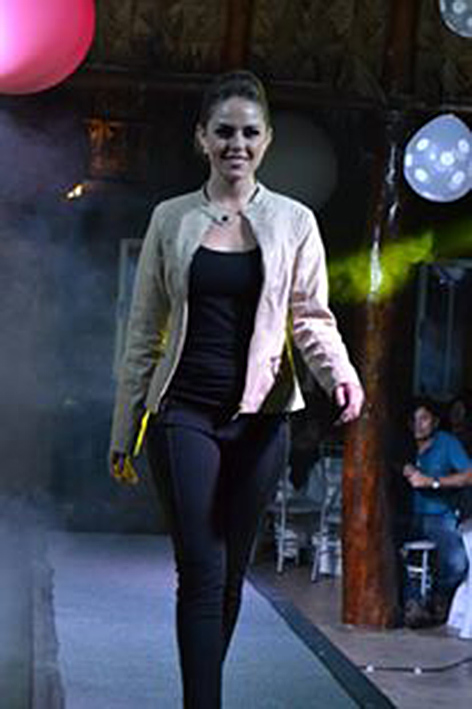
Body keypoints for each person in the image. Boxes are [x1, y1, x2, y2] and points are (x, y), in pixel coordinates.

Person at [108, 70, 364, 709]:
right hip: (183, 412)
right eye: (224, 132)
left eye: (250, 133)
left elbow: (311, 317)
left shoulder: (295, 222)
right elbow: (143, 330)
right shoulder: (171, 219)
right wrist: (124, 429)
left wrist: (340, 372)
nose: (237, 144)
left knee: (228, 576)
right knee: (200, 569)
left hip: (262, 417)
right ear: (202, 137)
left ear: (267, 140)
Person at [402, 398, 470, 627]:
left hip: (439, 515)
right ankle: (413, 603)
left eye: (424, 419)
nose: (418, 425)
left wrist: (432, 482)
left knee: (457, 564)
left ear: (436, 422)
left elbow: (469, 475)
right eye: (414, 420)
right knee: (391, 550)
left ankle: (437, 597)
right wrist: (403, 469)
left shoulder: (447, 443)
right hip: (406, 515)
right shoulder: (404, 444)